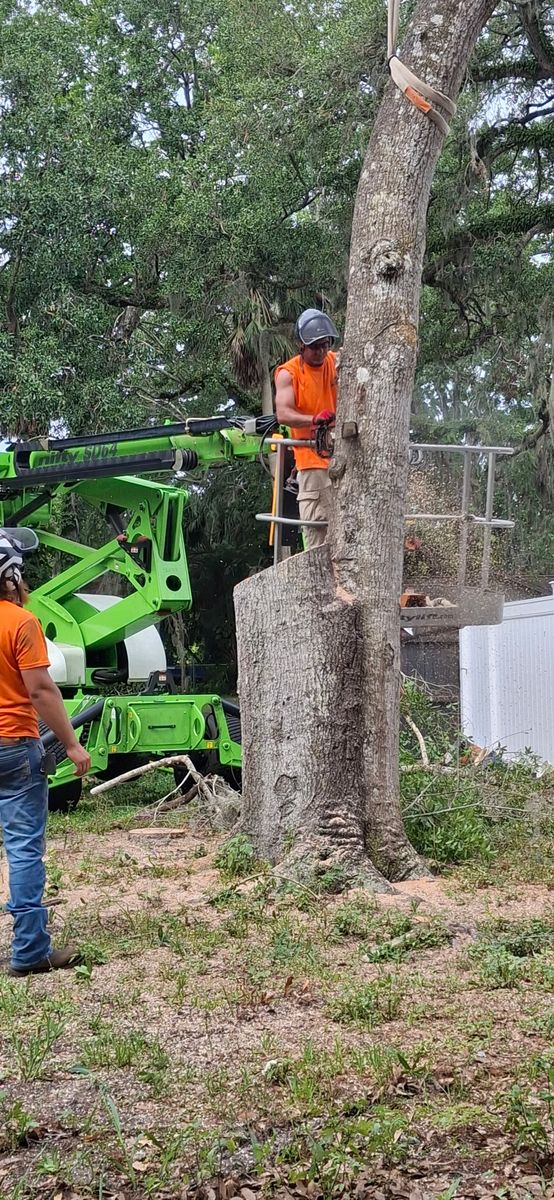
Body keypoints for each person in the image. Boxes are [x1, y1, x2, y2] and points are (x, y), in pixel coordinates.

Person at [0, 530, 91, 977]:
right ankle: (30, 951)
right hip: (14, 745)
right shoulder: (20, 622)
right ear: (11, 575)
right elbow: (39, 689)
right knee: (22, 848)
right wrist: (72, 744)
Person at [275, 308, 339, 549]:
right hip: (312, 461)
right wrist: (314, 419)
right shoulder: (288, 374)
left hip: (342, 457)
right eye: (315, 346)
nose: (321, 351)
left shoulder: (335, 362)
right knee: (317, 529)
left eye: (325, 344)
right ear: (301, 345)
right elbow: (283, 413)